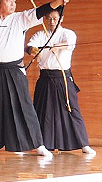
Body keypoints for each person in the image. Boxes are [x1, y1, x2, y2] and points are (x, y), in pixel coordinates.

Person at [0, 0, 71, 159]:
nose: (14, 4)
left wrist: (59, 0)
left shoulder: (21, 18)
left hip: (14, 71)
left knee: (24, 107)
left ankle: (38, 144)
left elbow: (42, 10)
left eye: (14, 1)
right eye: (9, 1)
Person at [26, 9, 94, 156]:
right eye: (49, 18)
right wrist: (33, 50)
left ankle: (84, 144)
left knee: (72, 109)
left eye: (55, 18)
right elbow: (30, 46)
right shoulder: (40, 35)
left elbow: (69, 44)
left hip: (62, 76)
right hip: (45, 77)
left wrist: (57, 47)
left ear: (61, 18)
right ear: (44, 19)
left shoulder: (68, 33)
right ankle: (44, 144)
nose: (52, 21)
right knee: (44, 112)